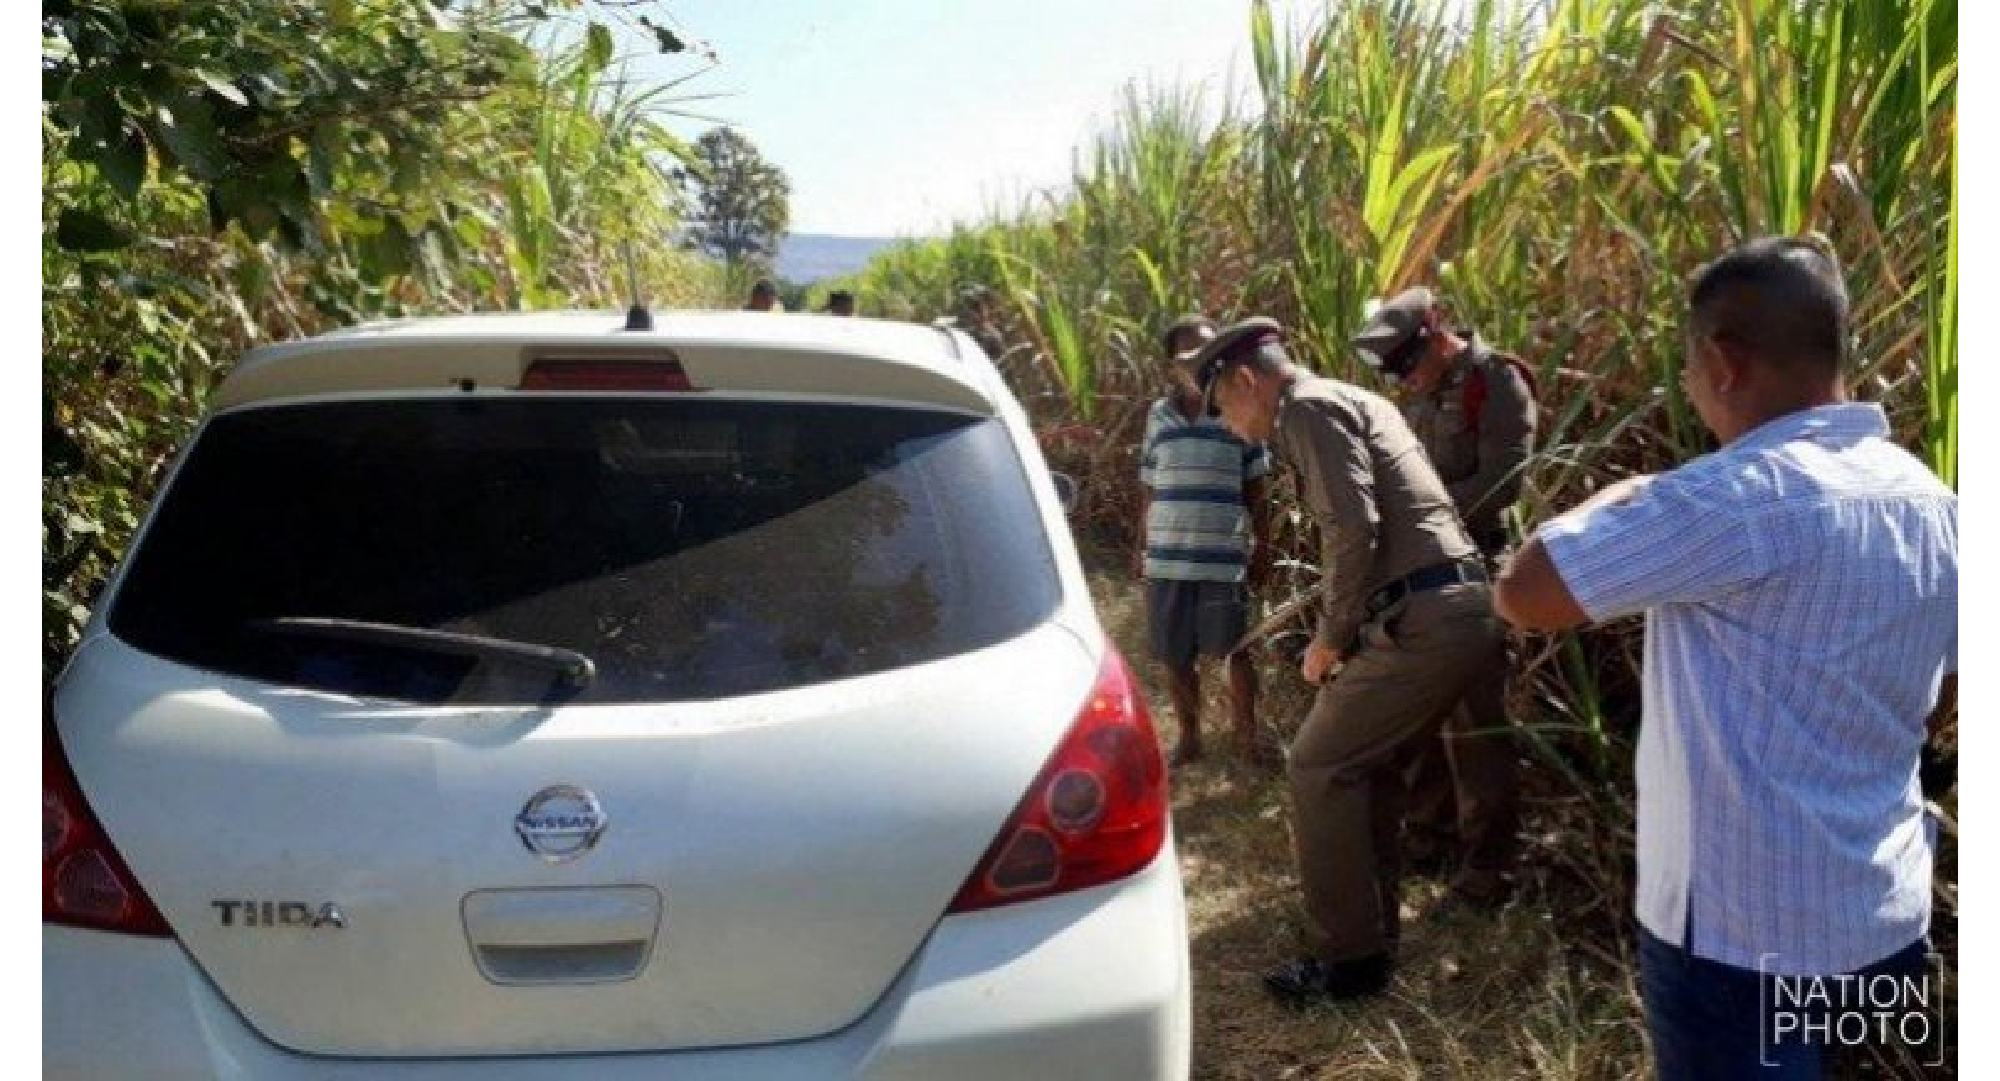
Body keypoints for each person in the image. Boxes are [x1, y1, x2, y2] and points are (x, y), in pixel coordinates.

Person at [1492, 238, 1956, 1078]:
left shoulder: (1732, 496)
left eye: (1690, 365)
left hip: (1744, 944)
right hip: (1882, 920)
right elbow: (1952, 680)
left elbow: (1524, 591)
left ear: (1723, 361)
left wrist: (1633, 490)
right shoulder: (1933, 504)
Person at [1195, 316, 1505, 1004]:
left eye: (1223, 407)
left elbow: (1352, 524)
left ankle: (1348, 961)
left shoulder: (1306, 407)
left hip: (1426, 617)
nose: (1228, 426)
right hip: (1455, 607)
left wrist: (1332, 636)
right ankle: (1367, 947)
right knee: (1368, 768)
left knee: (1319, 763)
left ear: (1247, 380)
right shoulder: (1353, 398)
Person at [1352, 286, 1535, 906]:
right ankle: (1428, 840)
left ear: (1436, 333)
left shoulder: (1497, 380)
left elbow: (1503, 481)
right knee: (1421, 715)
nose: (1403, 380)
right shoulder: (1421, 393)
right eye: (1393, 372)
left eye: (1408, 364)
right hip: (1422, 570)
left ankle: (1488, 870)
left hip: (1476, 567)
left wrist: (1420, 518)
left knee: (1476, 725)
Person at [1135, 315, 1273, 767]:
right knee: (1175, 656)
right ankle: (1190, 739)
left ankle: (1247, 742)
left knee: (1235, 651)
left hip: (1223, 557)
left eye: (1207, 350)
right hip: (1167, 557)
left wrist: (1263, 547)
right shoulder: (1158, 415)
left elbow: (1257, 488)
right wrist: (1140, 546)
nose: (1198, 360)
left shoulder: (1237, 408)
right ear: (1171, 363)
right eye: (1187, 353)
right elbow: (1150, 486)